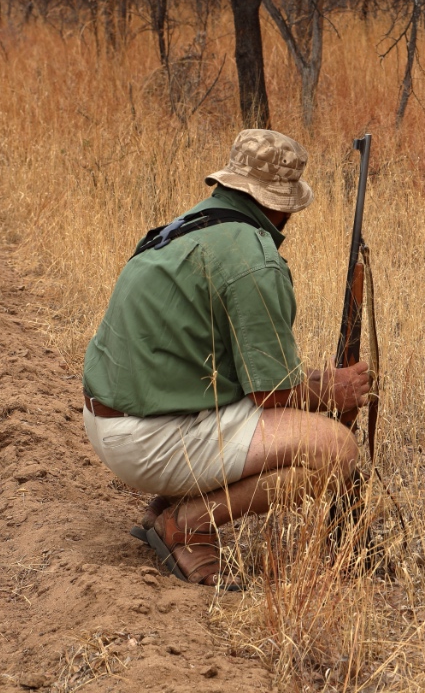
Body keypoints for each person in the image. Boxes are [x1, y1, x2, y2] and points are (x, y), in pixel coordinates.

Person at [81, 129, 371, 588]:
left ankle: (169, 505)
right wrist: (336, 388)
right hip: (145, 438)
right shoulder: (253, 258)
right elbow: (272, 390)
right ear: (281, 204)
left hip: (108, 421)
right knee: (336, 450)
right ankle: (186, 524)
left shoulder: (190, 224)